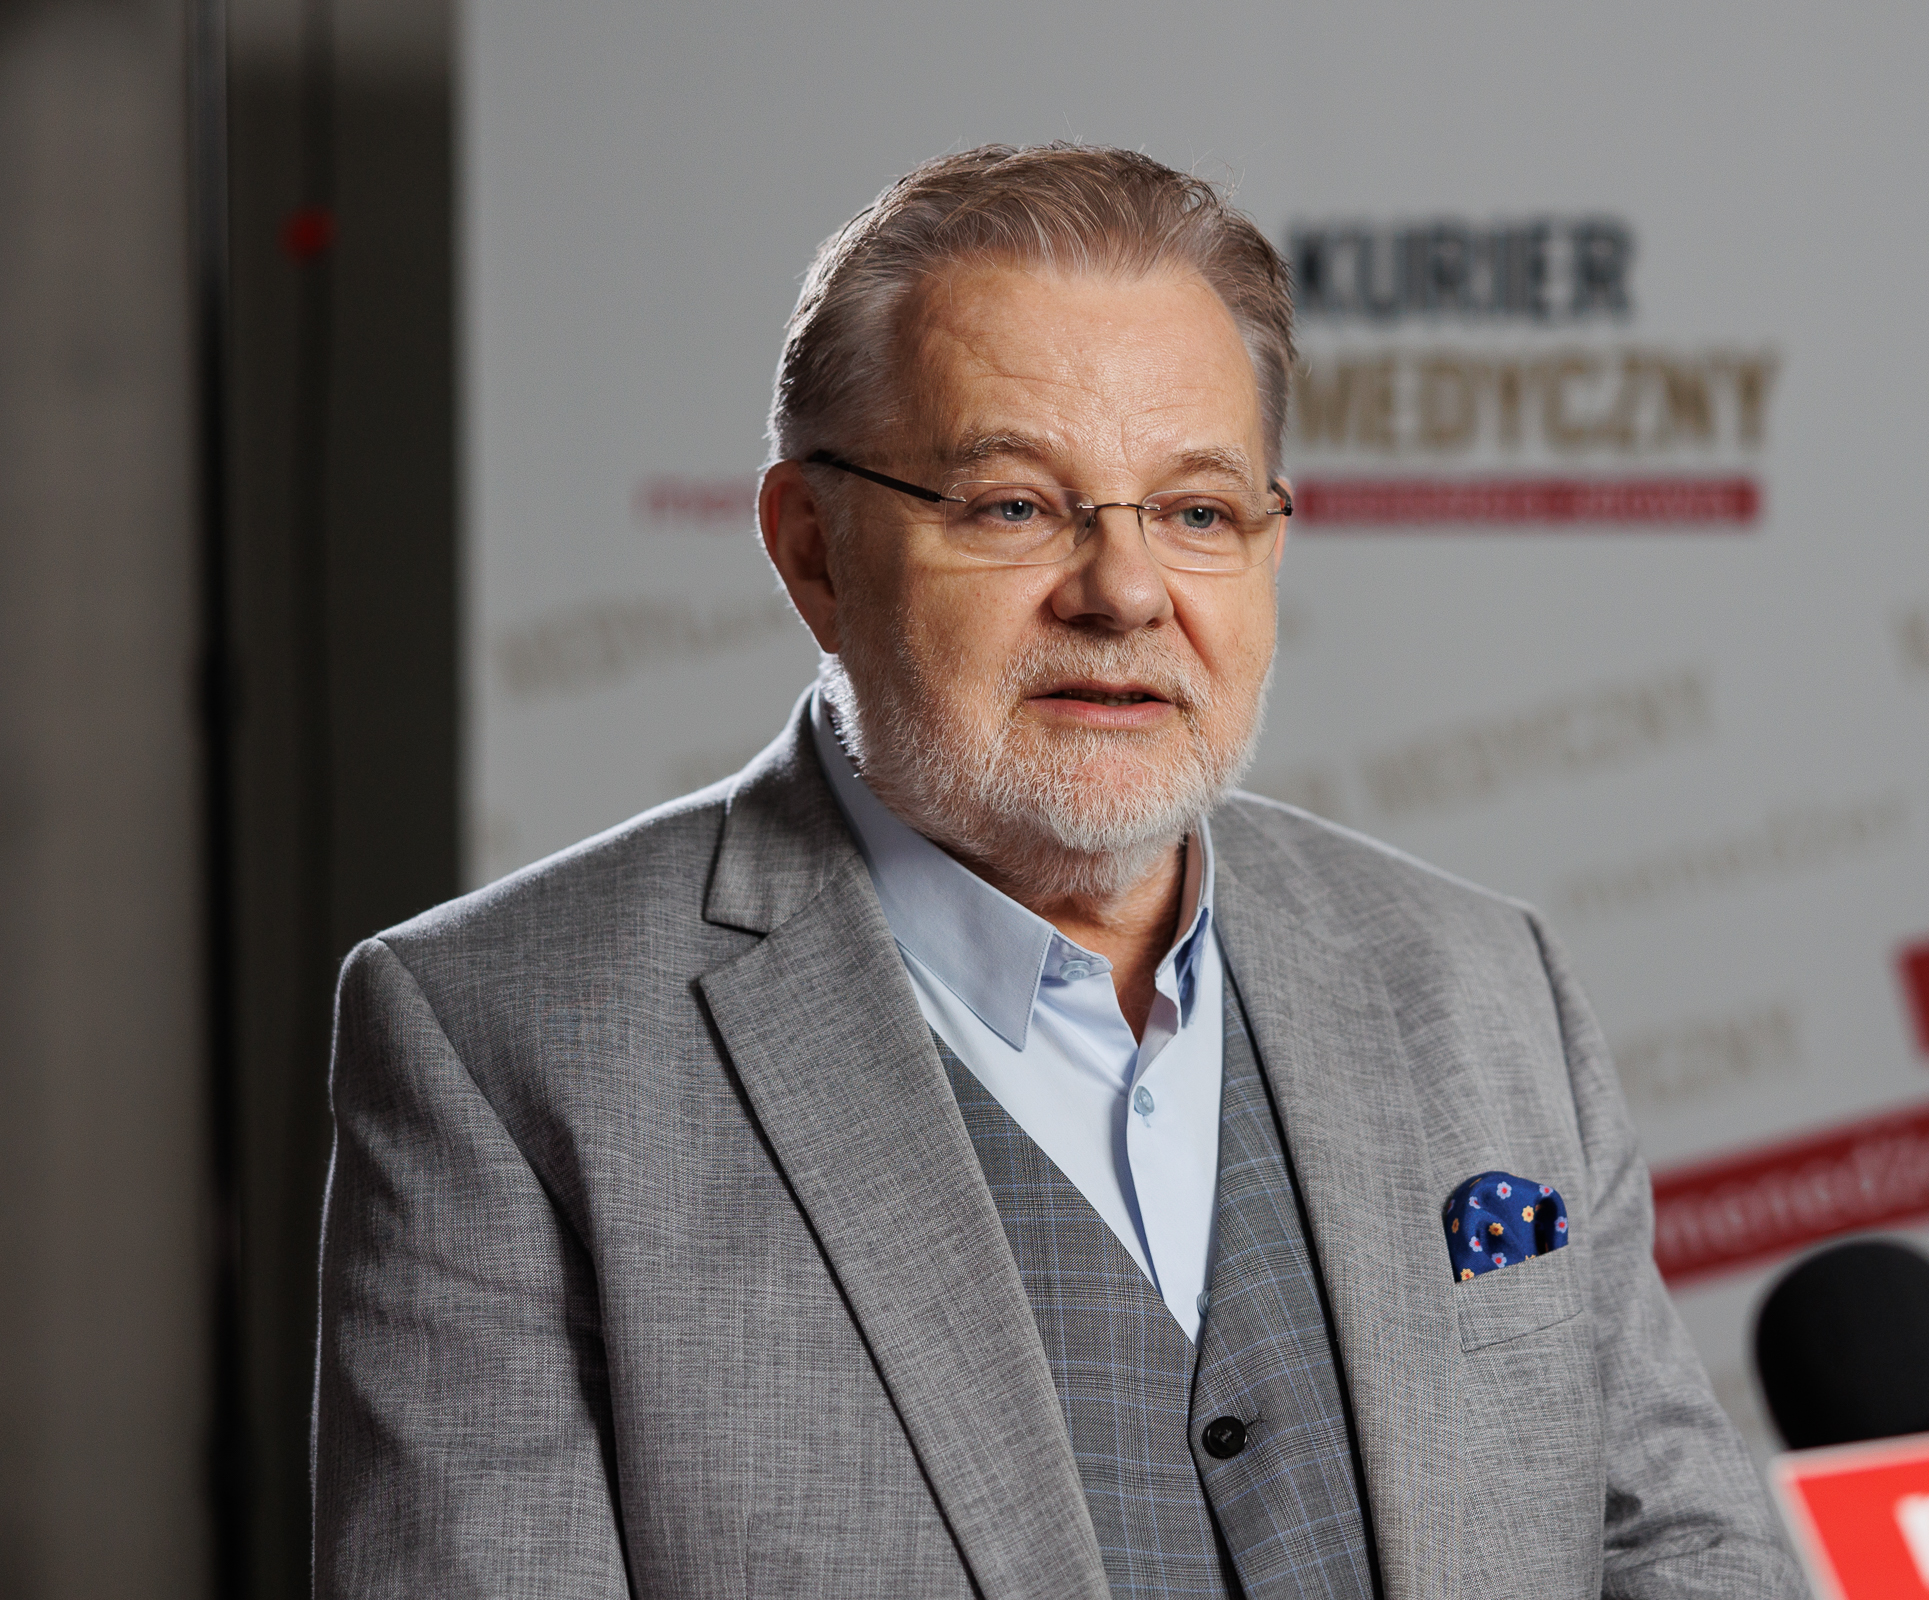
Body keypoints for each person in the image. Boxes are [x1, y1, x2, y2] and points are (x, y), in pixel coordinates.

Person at [314, 143, 1802, 1599]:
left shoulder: (1482, 981)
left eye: (1198, 513)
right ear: (814, 549)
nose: (1127, 591)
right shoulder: (502, 1044)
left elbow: (1681, 1549)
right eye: (1015, 505)